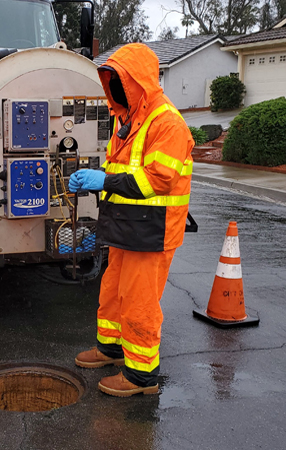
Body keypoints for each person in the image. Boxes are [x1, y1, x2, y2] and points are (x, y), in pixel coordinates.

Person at [69, 43, 194, 396]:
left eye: (119, 82)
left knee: (139, 303)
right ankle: (110, 350)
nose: (114, 90)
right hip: (127, 223)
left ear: (138, 81)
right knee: (112, 293)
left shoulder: (166, 123)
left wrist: (102, 181)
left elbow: (156, 179)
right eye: (111, 82)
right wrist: (97, 177)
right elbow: (122, 168)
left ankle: (141, 377)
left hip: (152, 229)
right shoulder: (126, 119)